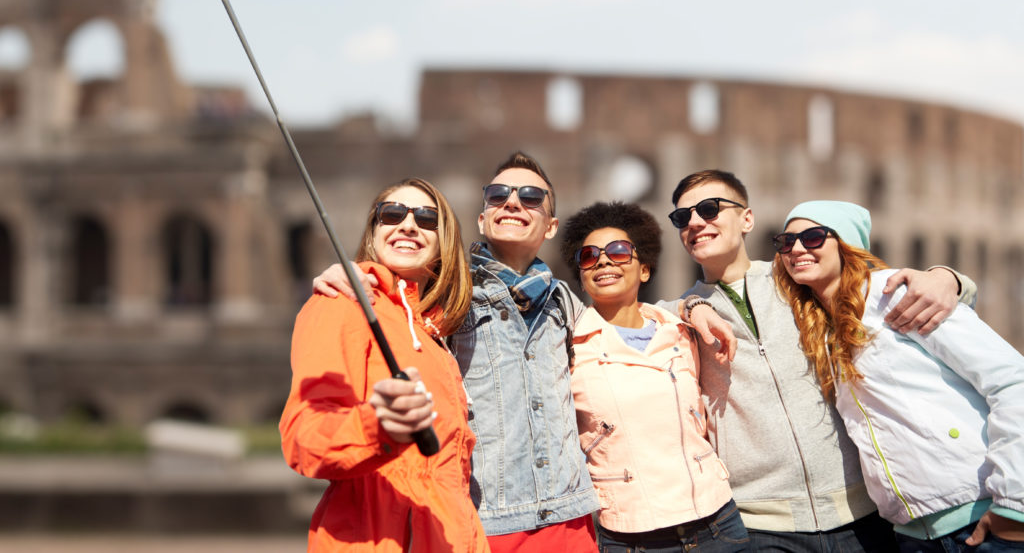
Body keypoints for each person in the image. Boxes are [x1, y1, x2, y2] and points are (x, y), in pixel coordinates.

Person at [666, 169, 978, 552]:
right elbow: (634, 317)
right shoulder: (673, 318)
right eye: (682, 218)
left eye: (710, 209)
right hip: (761, 522)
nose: (696, 222)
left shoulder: (798, 280)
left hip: (860, 513)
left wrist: (950, 278)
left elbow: (878, 287)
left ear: (747, 219)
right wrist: (689, 303)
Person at [314, 153, 600, 552]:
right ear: (482, 219)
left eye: (531, 196)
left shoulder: (564, 302)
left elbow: (632, 326)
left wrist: (694, 305)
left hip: (571, 521)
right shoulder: (449, 294)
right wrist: (353, 272)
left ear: (550, 226)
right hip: (487, 522)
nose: (513, 202)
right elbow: (399, 289)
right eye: (498, 194)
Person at [773, 200, 1024, 552]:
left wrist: (1015, 504)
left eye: (813, 237)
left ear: (846, 245)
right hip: (912, 536)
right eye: (786, 241)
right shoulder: (817, 329)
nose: (796, 248)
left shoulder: (896, 294)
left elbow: (1012, 380)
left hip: (982, 518)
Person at [279, 177, 488, 552]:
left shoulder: (436, 337)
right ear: (373, 233)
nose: (407, 224)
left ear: (444, 243)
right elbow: (304, 439)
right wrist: (378, 426)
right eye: (391, 214)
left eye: (426, 219)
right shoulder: (340, 303)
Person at [560, 201, 748, 551]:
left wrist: (691, 304)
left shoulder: (682, 332)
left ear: (644, 270)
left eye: (618, 251)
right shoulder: (566, 346)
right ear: (582, 277)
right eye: (589, 256)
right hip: (630, 533)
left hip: (715, 521)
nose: (603, 261)